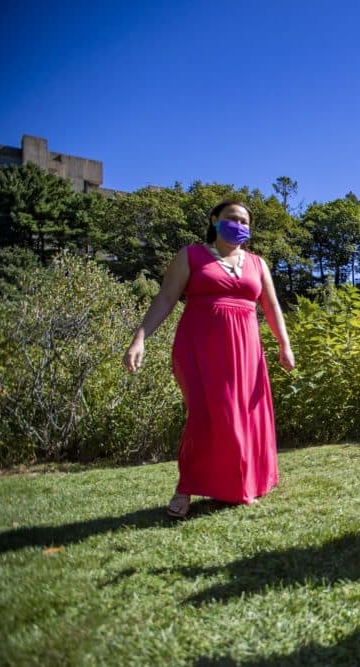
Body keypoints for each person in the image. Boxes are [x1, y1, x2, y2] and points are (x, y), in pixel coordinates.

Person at [123, 199, 295, 518]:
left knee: (243, 415)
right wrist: (140, 339)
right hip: (199, 348)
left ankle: (240, 485)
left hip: (246, 349)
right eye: (232, 218)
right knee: (204, 415)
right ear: (215, 219)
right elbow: (165, 299)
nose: (239, 225)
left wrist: (284, 344)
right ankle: (185, 488)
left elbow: (271, 307)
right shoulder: (191, 256)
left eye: (245, 222)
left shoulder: (258, 263)